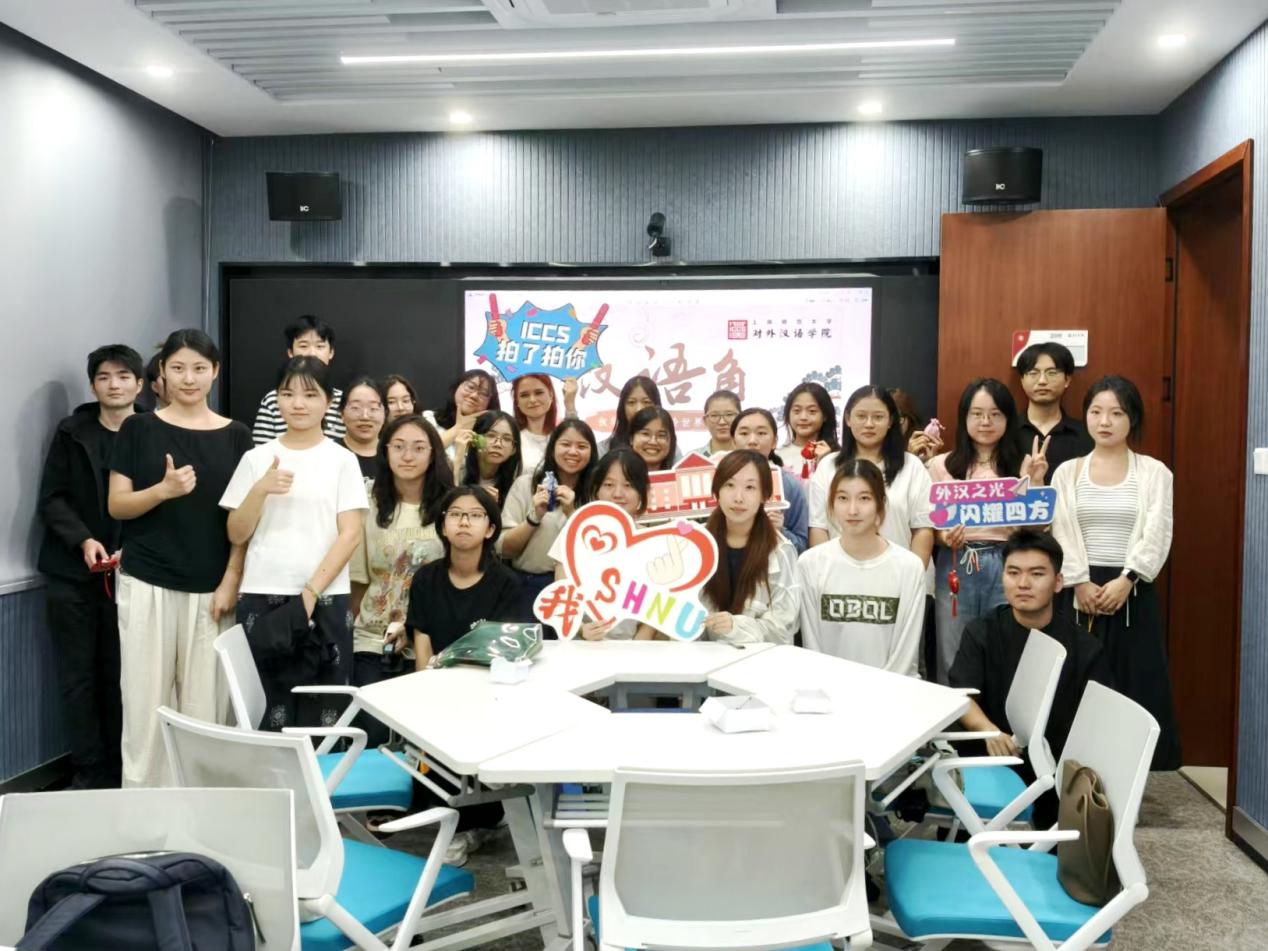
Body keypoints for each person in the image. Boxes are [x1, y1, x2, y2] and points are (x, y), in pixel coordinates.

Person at [108, 329, 253, 788]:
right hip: (146, 580)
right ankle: (143, 808)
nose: (188, 378)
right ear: (162, 374)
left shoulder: (237, 436)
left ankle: (201, 808)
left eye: (199, 368)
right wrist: (163, 491)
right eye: (178, 368)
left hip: (212, 588)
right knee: (144, 703)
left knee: (205, 708)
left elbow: (244, 521)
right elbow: (117, 505)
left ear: (215, 372)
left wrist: (232, 578)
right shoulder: (138, 428)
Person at [221, 357, 368, 730]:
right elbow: (236, 532)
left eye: (310, 394)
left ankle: (324, 772)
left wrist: (311, 592)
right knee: (264, 708)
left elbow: (350, 533)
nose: (298, 404)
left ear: (329, 401)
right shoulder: (256, 459)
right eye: (287, 394)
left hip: (326, 597)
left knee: (327, 708)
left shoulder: (342, 460)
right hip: (262, 593)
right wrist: (260, 490)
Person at [1050, 375, 1181, 770]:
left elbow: (1158, 531)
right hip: (1080, 591)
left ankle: (1132, 778)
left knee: (1134, 686)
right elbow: (1060, 529)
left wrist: (1128, 579)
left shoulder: (1155, 473)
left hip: (1131, 592)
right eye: (1096, 412)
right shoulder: (1067, 472)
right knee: (1079, 685)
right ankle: (1075, 777)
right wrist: (1079, 581)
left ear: (1132, 419)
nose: (1104, 421)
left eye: (1116, 413)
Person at [949, 530, 1112, 827]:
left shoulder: (1085, 647)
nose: (1023, 583)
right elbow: (963, 696)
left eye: (1037, 574)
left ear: (1058, 582)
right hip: (992, 760)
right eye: (1013, 573)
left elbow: (1098, 724)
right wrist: (988, 731)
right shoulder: (982, 632)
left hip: (1055, 773)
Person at [37, 344, 144, 788]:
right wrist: (83, 539)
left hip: (134, 573)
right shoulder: (72, 431)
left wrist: (130, 549)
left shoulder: (153, 431)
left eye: (123, 376)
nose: (114, 385)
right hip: (72, 573)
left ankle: (124, 772)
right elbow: (52, 498)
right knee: (78, 676)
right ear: (93, 385)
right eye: (103, 377)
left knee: (124, 676)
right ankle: (89, 772)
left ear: (140, 384)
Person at [406, 485, 518, 865]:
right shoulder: (426, 579)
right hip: (437, 688)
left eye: (474, 515)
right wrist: (428, 685)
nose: (464, 522)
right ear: (443, 525)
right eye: (455, 514)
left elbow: (503, 650)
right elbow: (421, 639)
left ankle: (479, 822)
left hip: (487, 691)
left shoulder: (506, 583)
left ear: (490, 528)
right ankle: (452, 822)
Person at [927, 379, 1049, 684]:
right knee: (952, 647)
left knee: (1006, 646)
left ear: (1008, 420)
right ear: (964, 417)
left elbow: (1036, 529)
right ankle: (954, 713)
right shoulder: (940, 466)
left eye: (995, 414)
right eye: (977, 414)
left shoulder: (1025, 464)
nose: (985, 422)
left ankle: (1002, 713)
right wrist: (944, 537)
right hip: (956, 561)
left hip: (1008, 562)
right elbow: (928, 524)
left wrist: (1036, 481)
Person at [350, 414, 452, 747]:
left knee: (426, 741)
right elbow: (358, 581)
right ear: (385, 451)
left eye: (418, 448)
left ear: (433, 454)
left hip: (433, 642)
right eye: (398, 447)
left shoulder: (450, 505)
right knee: (375, 736)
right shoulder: (367, 501)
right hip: (374, 639)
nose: (408, 456)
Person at [796, 459, 926, 676]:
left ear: (880, 505)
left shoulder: (909, 568)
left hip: (894, 689)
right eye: (843, 498)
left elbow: (906, 653)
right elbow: (812, 645)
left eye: (864, 498)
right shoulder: (810, 564)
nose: (852, 510)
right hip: (828, 688)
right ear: (831, 504)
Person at [808, 386, 935, 573]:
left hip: (900, 575)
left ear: (890, 421)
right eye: (861, 416)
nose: (869, 424)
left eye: (878, 417)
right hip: (840, 577)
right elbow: (819, 527)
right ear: (848, 419)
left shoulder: (912, 466)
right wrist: (825, 574)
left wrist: (912, 577)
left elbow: (923, 528)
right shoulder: (828, 466)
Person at [549, 449, 657, 641]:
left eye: (629, 485)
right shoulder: (573, 532)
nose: (618, 494)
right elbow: (561, 592)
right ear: (595, 490)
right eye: (608, 484)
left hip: (633, 647)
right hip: (580, 644)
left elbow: (657, 604)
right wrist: (580, 629)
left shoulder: (651, 540)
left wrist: (640, 644)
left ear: (643, 491)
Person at [500, 419, 598, 623]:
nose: (573, 452)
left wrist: (573, 513)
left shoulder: (596, 493)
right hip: (528, 587)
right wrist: (534, 517)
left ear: (592, 452)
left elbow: (599, 552)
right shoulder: (525, 485)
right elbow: (505, 549)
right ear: (552, 448)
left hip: (580, 590)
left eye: (582, 446)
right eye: (565, 444)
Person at [699, 450, 799, 645]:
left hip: (758, 659)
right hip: (702, 657)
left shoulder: (781, 551)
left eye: (750, 487)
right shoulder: (696, 544)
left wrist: (735, 627)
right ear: (716, 491)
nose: (738, 498)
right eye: (729, 485)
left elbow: (784, 626)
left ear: (764, 495)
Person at [251, 315, 345, 445]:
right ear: (290, 352)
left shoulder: (344, 402)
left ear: (331, 353)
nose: (312, 353)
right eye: (303, 346)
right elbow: (261, 451)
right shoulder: (272, 400)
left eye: (319, 346)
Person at [731, 408, 808, 554]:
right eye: (744, 433)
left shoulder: (789, 485)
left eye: (761, 433)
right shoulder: (716, 481)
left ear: (774, 442)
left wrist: (780, 530)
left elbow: (802, 547)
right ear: (733, 441)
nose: (752, 441)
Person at [1014, 342, 1093, 477]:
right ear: (1022, 380)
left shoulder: (1085, 434)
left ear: (1067, 380)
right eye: (1033, 373)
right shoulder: (1007, 432)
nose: (1042, 381)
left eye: (1052, 373)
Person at [512, 374, 579, 474]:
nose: (532, 400)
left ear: (551, 395)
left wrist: (570, 404)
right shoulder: (512, 438)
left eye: (539, 393)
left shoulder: (560, 437)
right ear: (517, 402)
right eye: (524, 395)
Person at [455, 410, 522, 506]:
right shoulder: (457, 469)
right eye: (491, 435)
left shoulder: (516, 485)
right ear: (475, 439)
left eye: (506, 439)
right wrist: (458, 457)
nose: (498, 444)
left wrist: (492, 508)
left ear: (514, 449)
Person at [425, 369, 499, 450]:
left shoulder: (490, 434)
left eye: (483, 393)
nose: (474, 396)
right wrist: (459, 427)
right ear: (457, 387)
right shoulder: (429, 419)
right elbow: (424, 452)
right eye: (470, 387)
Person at [780, 382, 840, 478]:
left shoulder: (839, 458)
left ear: (825, 415)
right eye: (797, 411)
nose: (803, 417)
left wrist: (825, 463)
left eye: (812, 411)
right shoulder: (776, 457)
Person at [339, 376, 386, 480]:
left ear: (385, 414)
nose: (365, 416)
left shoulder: (393, 456)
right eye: (356, 408)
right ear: (341, 413)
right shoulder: (328, 454)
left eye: (373, 408)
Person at [602, 375, 660, 453]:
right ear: (623, 408)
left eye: (646, 402)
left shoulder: (668, 448)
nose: (639, 409)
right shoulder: (604, 449)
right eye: (631, 402)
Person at [890, 387, 943, 463]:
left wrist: (931, 461)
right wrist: (910, 458)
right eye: (880, 417)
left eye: (898, 418)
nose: (892, 425)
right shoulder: (876, 450)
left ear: (909, 418)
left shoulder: (919, 445)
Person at [628, 406, 677, 472]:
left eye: (661, 435)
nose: (653, 442)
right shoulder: (618, 476)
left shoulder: (682, 476)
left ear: (671, 441)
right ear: (631, 439)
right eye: (645, 434)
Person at [696, 390, 741, 457]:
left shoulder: (751, 456)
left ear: (740, 418)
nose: (722, 422)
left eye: (729, 415)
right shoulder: (694, 458)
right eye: (714, 415)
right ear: (705, 421)